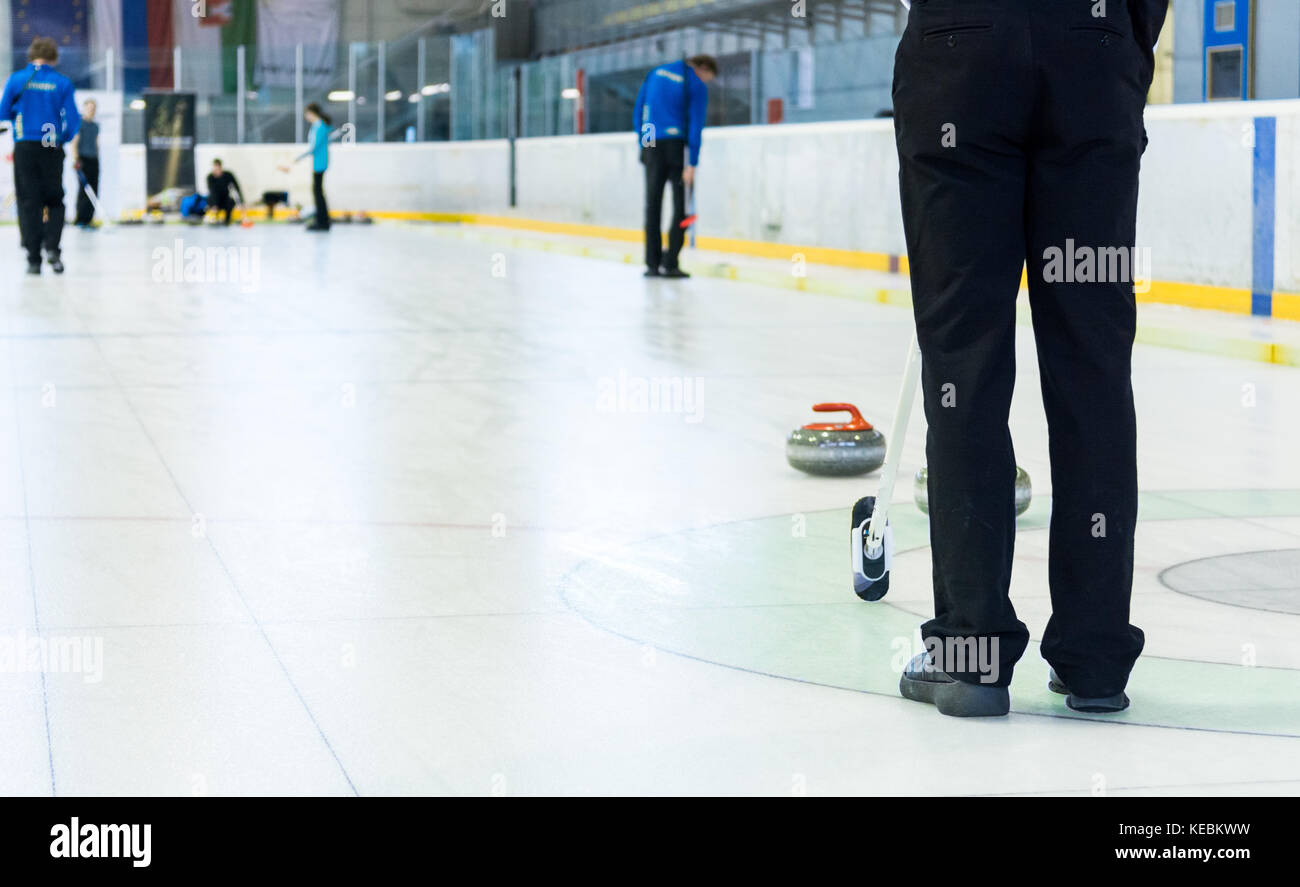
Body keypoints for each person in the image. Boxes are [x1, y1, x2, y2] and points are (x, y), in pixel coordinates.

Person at [892, 0, 1168, 716]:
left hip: (961, 52)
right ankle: (1096, 655)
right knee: (1094, 365)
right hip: (1092, 51)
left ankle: (972, 654)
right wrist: (1116, 50)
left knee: (964, 360)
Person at [0, 36, 81, 275]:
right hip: (50, 146)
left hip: (25, 146)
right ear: (54, 57)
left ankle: (33, 257)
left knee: (28, 202)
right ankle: (53, 248)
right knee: (55, 200)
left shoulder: (16, 79)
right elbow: (73, 121)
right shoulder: (61, 82)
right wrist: (61, 139)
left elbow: (3, 112)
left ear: (30, 55)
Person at [633, 55, 715, 278]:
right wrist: (692, 163)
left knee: (652, 204)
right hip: (678, 148)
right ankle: (670, 263)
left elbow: (641, 110)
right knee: (682, 206)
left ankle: (652, 263)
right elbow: (695, 123)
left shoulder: (655, 73)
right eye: (709, 77)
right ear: (703, 69)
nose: (706, 81)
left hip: (652, 143)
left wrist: (644, 145)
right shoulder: (694, 83)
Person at [279, 102, 333, 232]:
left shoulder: (319, 126)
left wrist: (297, 158)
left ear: (311, 113)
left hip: (320, 163)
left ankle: (322, 222)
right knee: (318, 191)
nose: (306, 117)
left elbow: (313, 148)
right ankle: (323, 220)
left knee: (317, 192)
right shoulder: (319, 126)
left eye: (307, 114)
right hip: (319, 162)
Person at [70, 98, 99, 228]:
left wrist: (97, 157)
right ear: (84, 108)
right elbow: (74, 143)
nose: (91, 111)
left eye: (93, 108)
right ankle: (80, 219)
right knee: (84, 190)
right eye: (89, 108)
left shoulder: (96, 126)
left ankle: (89, 219)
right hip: (82, 161)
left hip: (94, 160)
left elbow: (96, 144)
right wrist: (76, 160)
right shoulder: (79, 124)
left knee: (94, 189)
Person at [206, 158, 244, 226]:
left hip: (225, 199)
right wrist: (214, 205)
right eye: (215, 168)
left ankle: (227, 220)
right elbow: (212, 191)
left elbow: (237, 188)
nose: (217, 170)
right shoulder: (210, 177)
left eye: (218, 168)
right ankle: (214, 218)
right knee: (210, 200)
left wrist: (241, 202)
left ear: (221, 167)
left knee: (230, 202)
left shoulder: (228, 175)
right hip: (214, 199)